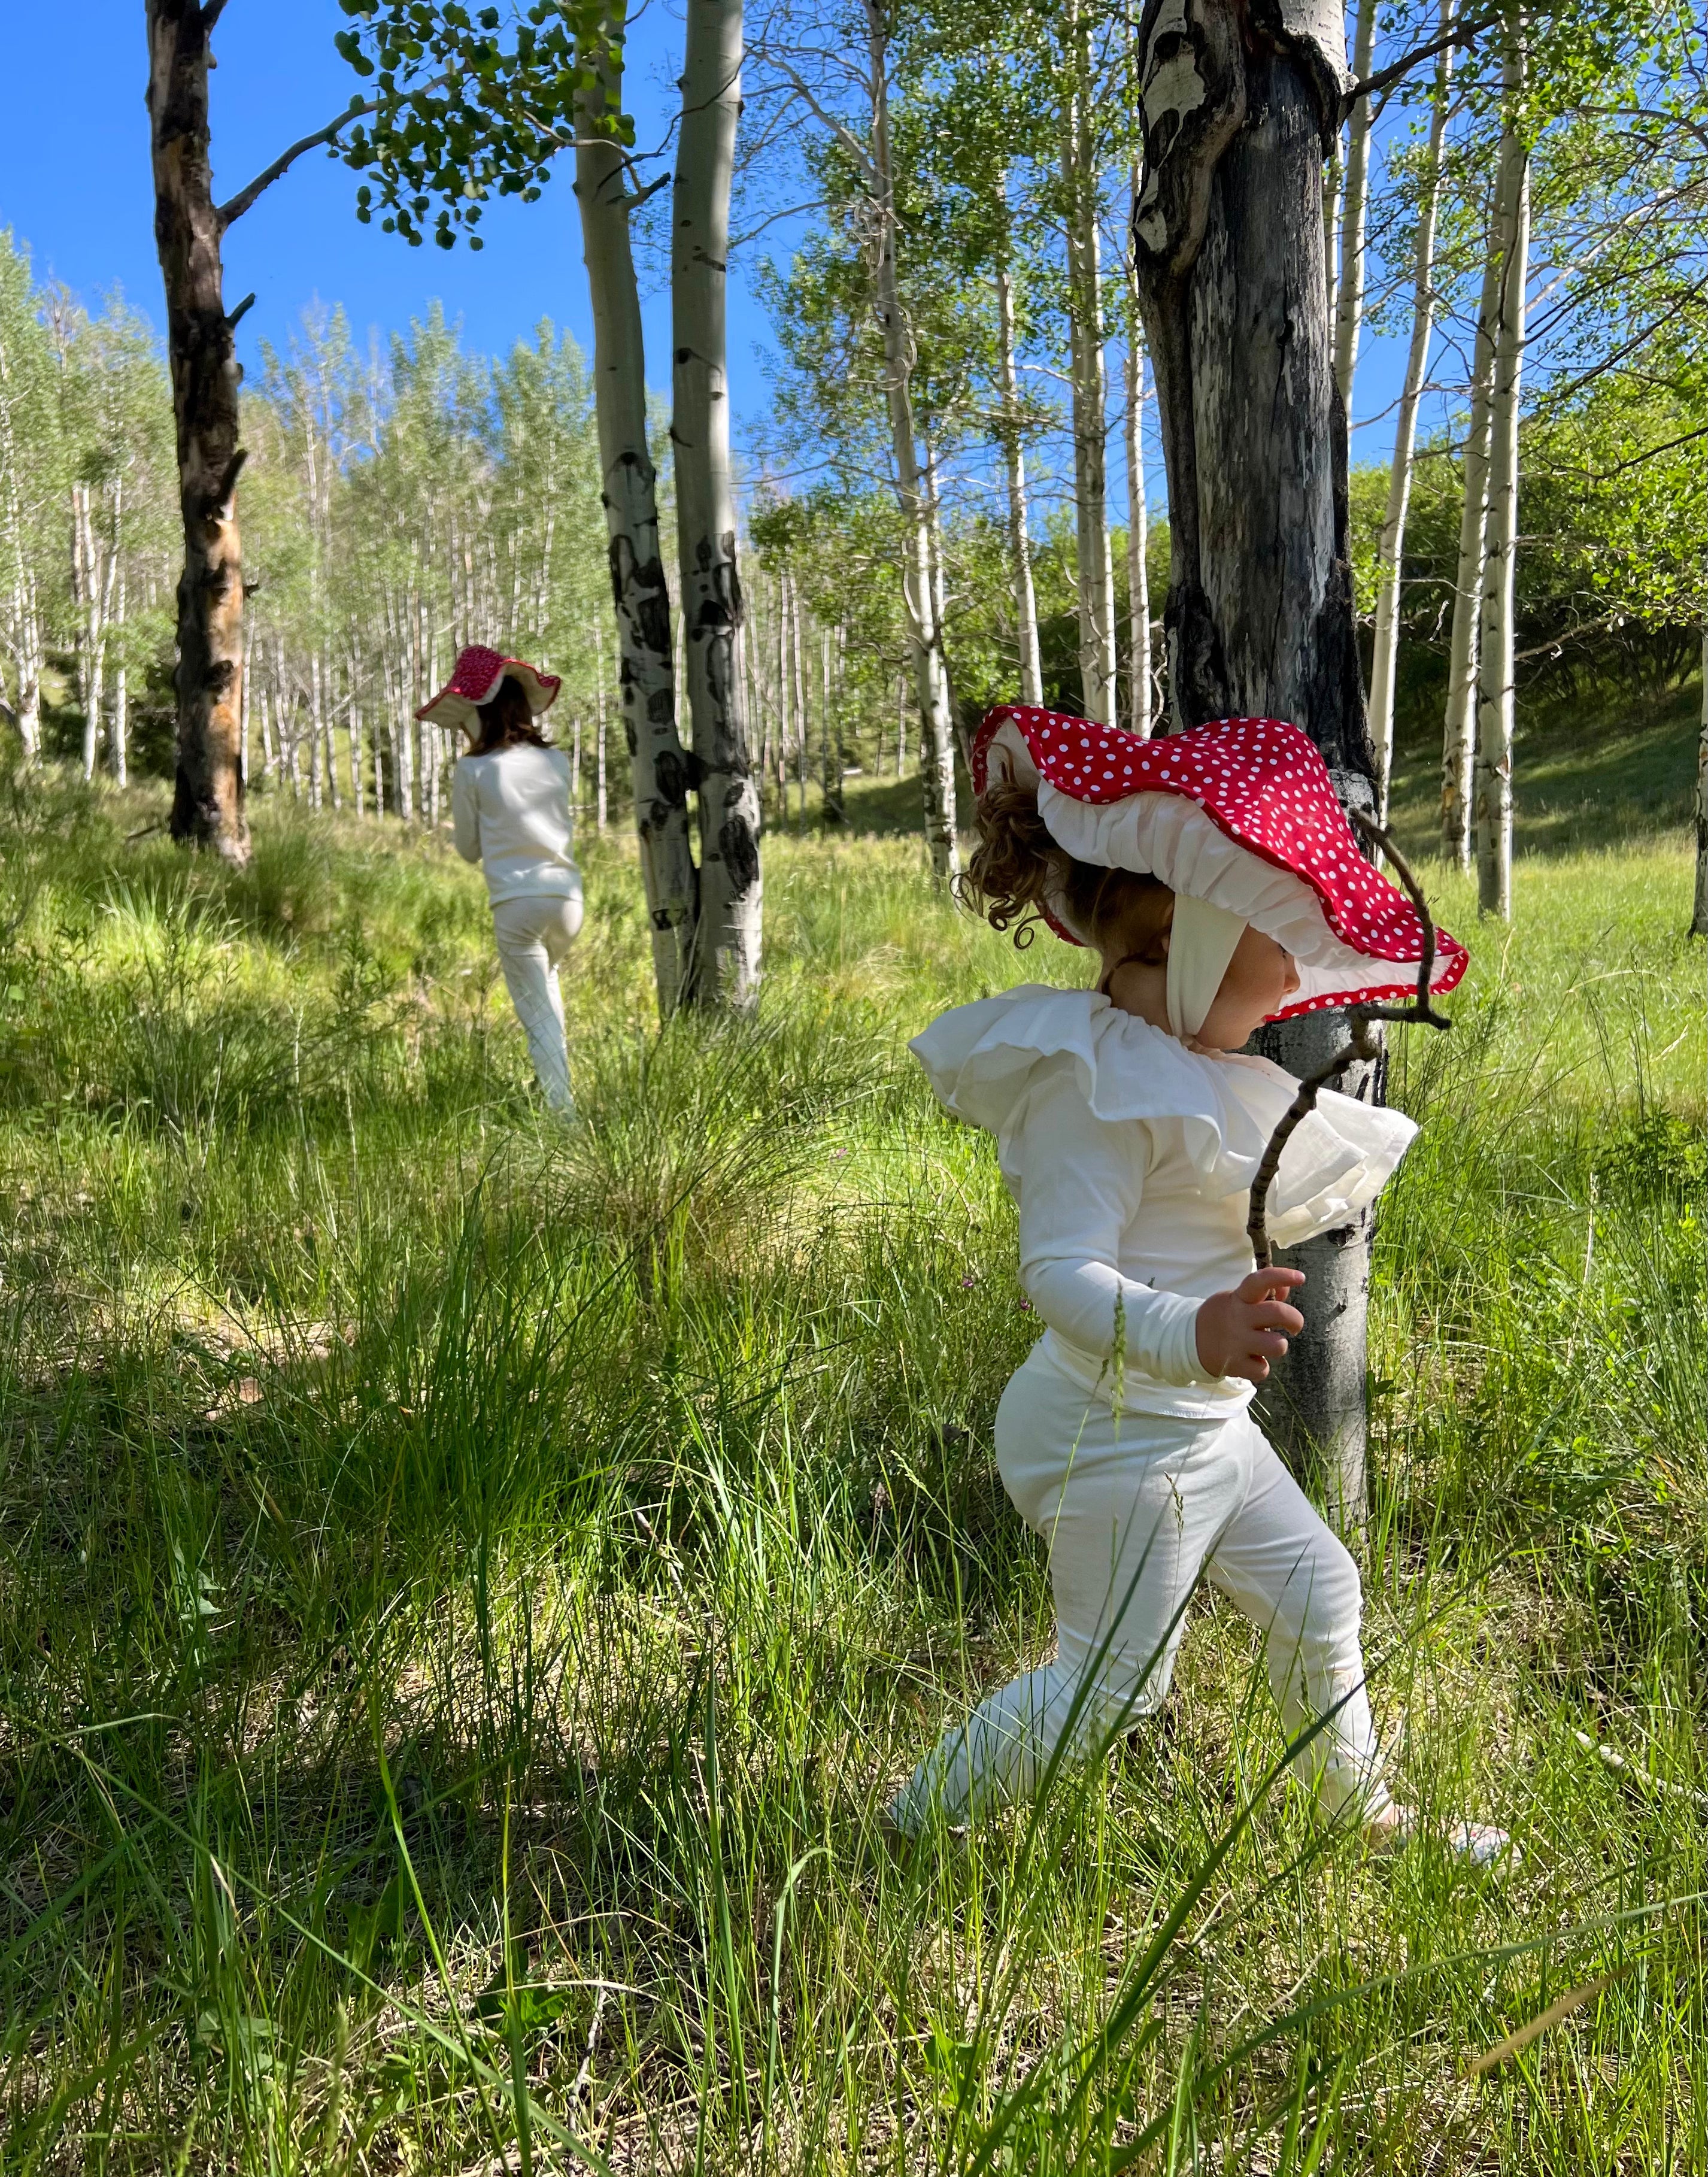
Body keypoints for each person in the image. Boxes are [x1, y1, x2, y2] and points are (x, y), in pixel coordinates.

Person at [890, 704, 1515, 1866]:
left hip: (1194, 1431)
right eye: (1264, 940)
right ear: (1179, 937)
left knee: (1319, 1590)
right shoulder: (1099, 1083)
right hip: (1108, 1435)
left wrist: (1203, 1351)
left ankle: (1358, 1813)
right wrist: (1196, 1328)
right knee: (1108, 1687)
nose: (1289, 975)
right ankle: (907, 1824)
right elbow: (1057, 1273)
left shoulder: (1187, 1074)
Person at [418, 646, 581, 1117]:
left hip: (518, 903)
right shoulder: (557, 762)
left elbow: (469, 850)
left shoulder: (474, 769)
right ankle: (557, 1095)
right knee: (548, 995)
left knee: (537, 1016)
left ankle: (562, 1120)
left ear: (479, 712)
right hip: (569, 899)